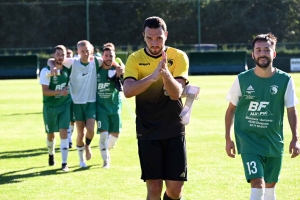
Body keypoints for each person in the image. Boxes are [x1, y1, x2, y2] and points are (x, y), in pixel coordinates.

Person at [225, 33, 300, 200]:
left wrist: (296, 138)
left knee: (270, 185)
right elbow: (230, 110)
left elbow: (291, 110)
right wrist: (228, 138)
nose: (262, 53)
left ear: (274, 53)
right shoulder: (242, 79)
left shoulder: (285, 80)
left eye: (267, 50)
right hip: (248, 140)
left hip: (273, 140)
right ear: (253, 54)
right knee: (257, 183)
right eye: (258, 50)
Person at [123, 16, 189, 200]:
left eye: (159, 38)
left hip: (174, 129)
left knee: (175, 190)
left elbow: (176, 93)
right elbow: (128, 91)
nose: (154, 43)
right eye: (149, 38)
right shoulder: (134, 59)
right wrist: (152, 77)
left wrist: (165, 73)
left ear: (166, 35)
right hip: (148, 131)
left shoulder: (178, 56)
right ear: (143, 36)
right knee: (153, 188)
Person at [47, 40, 101, 168]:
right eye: (82, 51)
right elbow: (51, 59)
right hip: (76, 103)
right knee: (80, 133)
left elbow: (111, 60)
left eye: (87, 50)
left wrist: (119, 67)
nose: (85, 53)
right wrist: (51, 66)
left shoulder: (96, 61)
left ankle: (87, 146)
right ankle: (81, 159)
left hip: (91, 102)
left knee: (91, 130)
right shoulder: (73, 62)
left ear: (91, 50)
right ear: (78, 52)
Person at [40, 45, 71, 171]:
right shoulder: (45, 71)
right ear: (53, 55)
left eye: (63, 54)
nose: (60, 57)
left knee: (64, 133)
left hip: (64, 105)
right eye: (58, 54)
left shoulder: (69, 68)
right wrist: (60, 92)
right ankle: (51, 154)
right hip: (50, 107)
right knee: (50, 135)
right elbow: (45, 92)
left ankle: (64, 163)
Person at [96, 43, 124, 169]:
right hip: (101, 108)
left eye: (110, 56)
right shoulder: (96, 69)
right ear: (103, 56)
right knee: (103, 135)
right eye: (106, 55)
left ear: (114, 56)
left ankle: (105, 148)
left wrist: (121, 72)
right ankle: (106, 161)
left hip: (115, 107)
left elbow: (126, 82)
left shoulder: (118, 69)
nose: (108, 58)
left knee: (115, 135)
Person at [66, 48, 75, 148]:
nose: (68, 56)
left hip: (75, 96)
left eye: (70, 55)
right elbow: (50, 60)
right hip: (64, 96)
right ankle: (68, 140)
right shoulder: (61, 66)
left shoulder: (75, 65)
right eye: (66, 55)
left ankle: (69, 138)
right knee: (66, 119)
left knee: (73, 120)